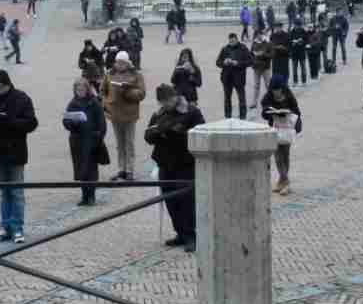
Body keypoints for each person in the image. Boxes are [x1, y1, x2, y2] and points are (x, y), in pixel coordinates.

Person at [0, 69, 38, 243]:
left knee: (17, 192)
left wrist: (10, 121)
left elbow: (32, 122)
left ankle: (17, 227)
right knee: (4, 192)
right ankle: (5, 226)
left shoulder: (22, 98)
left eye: (2, 86)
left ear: (8, 84)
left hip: (16, 151)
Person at [145, 84, 206, 252]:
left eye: (168, 100)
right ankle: (180, 233)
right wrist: (158, 132)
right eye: (162, 102)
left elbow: (201, 134)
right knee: (171, 202)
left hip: (185, 164)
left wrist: (179, 133)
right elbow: (148, 134)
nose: (166, 104)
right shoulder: (159, 114)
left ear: (175, 96)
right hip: (165, 163)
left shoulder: (192, 112)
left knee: (187, 202)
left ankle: (191, 236)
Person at [102, 50, 146, 181]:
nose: (120, 65)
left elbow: (142, 93)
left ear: (127, 63)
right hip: (115, 113)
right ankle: (121, 169)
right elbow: (103, 90)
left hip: (129, 114)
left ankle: (130, 170)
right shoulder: (110, 74)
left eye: (122, 62)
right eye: (118, 62)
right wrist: (107, 102)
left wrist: (128, 92)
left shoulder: (136, 75)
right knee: (119, 144)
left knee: (129, 143)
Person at [64, 77, 107, 207]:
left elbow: (102, 123)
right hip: (77, 141)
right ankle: (84, 196)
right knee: (81, 170)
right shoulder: (73, 103)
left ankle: (91, 196)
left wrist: (98, 137)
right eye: (78, 89)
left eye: (82, 88)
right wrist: (73, 122)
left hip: (91, 140)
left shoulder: (94, 102)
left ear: (87, 89)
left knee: (91, 170)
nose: (80, 91)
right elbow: (66, 122)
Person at [261, 76, 303, 195]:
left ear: (282, 89)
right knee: (277, 156)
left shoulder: (289, 96)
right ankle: (286, 182)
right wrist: (269, 113)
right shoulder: (268, 97)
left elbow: (297, 112)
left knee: (285, 155)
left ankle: (282, 181)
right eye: (274, 90)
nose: (276, 92)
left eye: (278, 90)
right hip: (275, 129)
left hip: (287, 130)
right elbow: (264, 111)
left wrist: (286, 113)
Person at [216, 32, 252, 119]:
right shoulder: (225, 49)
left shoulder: (243, 48)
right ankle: (227, 116)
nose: (231, 42)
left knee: (241, 98)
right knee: (227, 98)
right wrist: (224, 62)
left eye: (233, 40)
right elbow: (218, 62)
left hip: (239, 78)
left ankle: (243, 117)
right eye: (230, 41)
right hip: (227, 78)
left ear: (237, 39)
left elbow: (250, 61)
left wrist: (238, 63)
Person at [250, 31, 273, 113]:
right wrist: (253, 60)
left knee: (268, 85)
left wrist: (263, 54)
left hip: (265, 67)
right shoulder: (254, 43)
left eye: (260, 34)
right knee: (256, 85)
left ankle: (271, 101)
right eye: (257, 35)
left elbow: (272, 54)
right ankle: (254, 102)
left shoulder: (268, 43)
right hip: (256, 67)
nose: (258, 36)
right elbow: (251, 54)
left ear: (262, 35)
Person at [287, 20, 308, 86]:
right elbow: (289, 42)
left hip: (302, 52)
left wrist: (302, 42)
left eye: (298, 25)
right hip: (294, 53)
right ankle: (295, 81)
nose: (296, 26)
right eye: (296, 25)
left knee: (303, 67)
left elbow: (306, 40)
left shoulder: (303, 31)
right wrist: (292, 43)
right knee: (294, 68)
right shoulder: (291, 32)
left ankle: (304, 81)